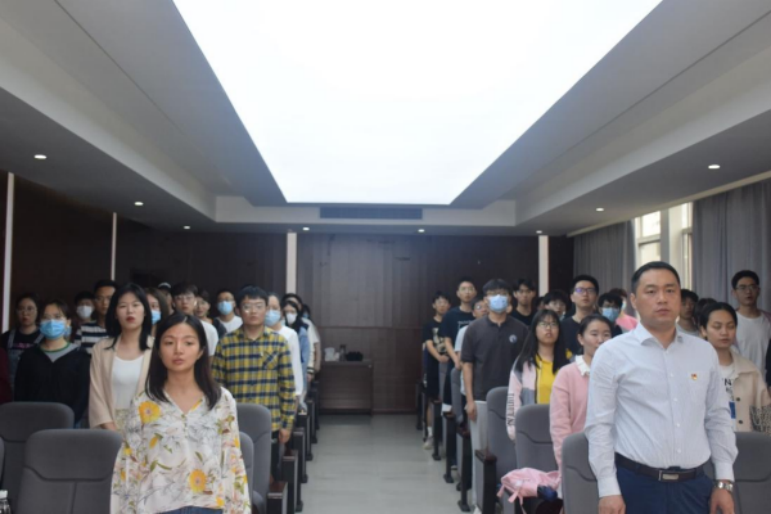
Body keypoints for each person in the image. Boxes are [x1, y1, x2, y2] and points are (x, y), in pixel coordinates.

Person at [585, 262, 737, 514]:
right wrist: (608, 488)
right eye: (651, 291)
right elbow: (599, 426)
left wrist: (724, 481)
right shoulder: (611, 353)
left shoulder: (703, 352)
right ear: (634, 300)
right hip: (635, 486)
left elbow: (718, 418)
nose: (662, 298)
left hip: (694, 487)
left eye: (670, 290)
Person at [111, 313, 251, 514]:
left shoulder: (221, 400)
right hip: (156, 507)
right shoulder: (143, 403)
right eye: (169, 343)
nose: (178, 350)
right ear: (159, 350)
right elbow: (129, 466)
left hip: (210, 506)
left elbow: (232, 461)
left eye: (188, 343)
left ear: (201, 350)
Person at [213, 286, 295, 480]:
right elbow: (216, 387)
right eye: (247, 306)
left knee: (266, 476)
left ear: (266, 309)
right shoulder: (226, 343)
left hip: (270, 422)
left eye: (259, 306)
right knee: (233, 476)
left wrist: (287, 424)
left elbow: (287, 387)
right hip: (234, 423)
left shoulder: (279, 343)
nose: (253, 311)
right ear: (238, 310)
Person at [461, 278, 528, 509]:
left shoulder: (521, 329)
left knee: (510, 454)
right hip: (481, 398)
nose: (498, 297)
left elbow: (526, 367)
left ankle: (508, 502)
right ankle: (480, 502)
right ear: (485, 299)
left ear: (510, 299)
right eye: (492, 293)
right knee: (481, 453)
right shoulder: (474, 329)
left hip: (514, 400)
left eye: (502, 293)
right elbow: (467, 365)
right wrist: (469, 400)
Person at [550, 314, 613, 479]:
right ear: (581, 339)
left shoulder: (619, 373)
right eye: (594, 334)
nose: (601, 340)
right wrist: (566, 463)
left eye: (606, 335)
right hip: (577, 457)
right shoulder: (567, 374)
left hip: (614, 457)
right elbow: (559, 425)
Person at [90, 283, 154, 431]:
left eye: (136, 305)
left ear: (145, 311)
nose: (130, 311)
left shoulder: (157, 349)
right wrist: (113, 433)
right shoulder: (101, 349)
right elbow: (96, 395)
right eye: (123, 306)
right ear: (115, 313)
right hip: (109, 432)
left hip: (149, 431)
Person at [14, 300, 90, 425]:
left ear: (68, 322)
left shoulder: (79, 356)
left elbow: (82, 396)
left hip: (68, 425)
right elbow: (20, 394)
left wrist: (69, 420)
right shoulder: (29, 356)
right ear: (40, 322)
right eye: (46, 317)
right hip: (32, 423)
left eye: (57, 317)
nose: (51, 322)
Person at [699, 302, 771, 433]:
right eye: (717, 327)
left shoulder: (750, 371)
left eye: (730, 326)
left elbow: (765, 419)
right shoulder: (691, 369)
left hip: (743, 443)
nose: (724, 332)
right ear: (703, 330)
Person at [506, 309, 571, 441]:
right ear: (534, 329)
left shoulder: (571, 361)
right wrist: (514, 431)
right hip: (532, 431)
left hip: (565, 431)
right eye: (543, 324)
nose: (549, 328)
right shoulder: (524, 363)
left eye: (553, 324)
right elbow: (512, 398)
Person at [439, 278, 477, 412]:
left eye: (470, 289)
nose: (467, 292)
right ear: (458, 293)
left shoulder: (480, 314)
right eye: (463, 289)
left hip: (475, 361)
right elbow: (447, 341)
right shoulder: (450, 315)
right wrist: (456, 359)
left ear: (475, 292)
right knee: (452, 397)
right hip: (456, 361)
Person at [422, 291, 451, 449]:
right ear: (434, 305)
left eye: (445, 302)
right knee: (432, 401)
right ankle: (431, 435)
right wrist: (439, 357)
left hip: (451, 366)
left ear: (449, 305)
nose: (442, 305)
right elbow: (429, 344)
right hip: (434, 367)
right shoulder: (429, 325)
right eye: (439, 302)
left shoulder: (451, 322)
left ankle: (447, 436)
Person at [731, 270, 771, 383]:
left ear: (758, 291)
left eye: (752, 287)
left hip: (765, 386)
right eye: (742, 288)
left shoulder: (768, 320)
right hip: (738, 385)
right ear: (734, 293)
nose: (748, 291)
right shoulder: (729, 322)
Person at [267, 293, 305, 407]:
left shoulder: (290, 334)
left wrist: (297, 393)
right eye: (267, 308)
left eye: (275, 308)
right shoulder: (258, 333)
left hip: (284, 391)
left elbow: (295, 365)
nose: (270, 312)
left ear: (281, 312)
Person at [1, 293, 43, 392]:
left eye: (30, 309)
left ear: (38, 311)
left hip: (36, 390)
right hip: (11, 390)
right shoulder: (6, 337)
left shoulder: (45, 338)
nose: (25, 313)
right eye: (21, 309)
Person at [172, 283, 219, 356]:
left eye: (188, 298)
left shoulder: (209, 329)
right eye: (179, 298)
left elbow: (211, 357)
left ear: (195, 300)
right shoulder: (167, 327)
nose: (184, 302)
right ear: (173, 302)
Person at [454, 297, 488, 397]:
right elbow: (461, 362)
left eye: (486, 306)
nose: (484, 310)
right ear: (473, 313)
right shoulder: (465, 331)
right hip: (472, 383)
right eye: (479, 307)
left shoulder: (498, 330)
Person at [282, 293, 322, 378]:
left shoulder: (305, 325)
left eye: (294, 304)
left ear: (299, 306)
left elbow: (310, 348)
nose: (290, 305)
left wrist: (310, 369)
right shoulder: (279, 325)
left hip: (301, 369)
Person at [74, 279, 118, 354]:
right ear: (94, 302)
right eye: (100, 298)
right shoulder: (83, 330)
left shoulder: (123, 330)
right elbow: (76, 358)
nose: (105, 303)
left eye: (110, 298)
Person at [561, 275, 599, 355]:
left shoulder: (603, 325)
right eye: (580, 290)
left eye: (590, 290)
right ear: (572, 297)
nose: (585, 294)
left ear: (596, 297)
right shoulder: (562, 326)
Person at [282, 298, 312, 399]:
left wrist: (299, 375)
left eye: (292, 312)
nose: (289, 314)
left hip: (297, 374)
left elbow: (304, 358)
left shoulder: (302, 331)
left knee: (298, 403)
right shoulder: (278, 330)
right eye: (287, 312)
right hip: (281, 376)